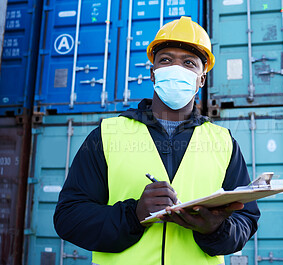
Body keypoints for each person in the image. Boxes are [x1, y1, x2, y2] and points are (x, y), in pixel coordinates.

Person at [54, 16, 260, 265]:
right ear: (153, 74)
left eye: (189, 63)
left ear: (201, 79)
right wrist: (134, 214)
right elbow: (68, 217)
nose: (176, 68)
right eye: (165, 60)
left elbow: (246, 221)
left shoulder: (224, 142)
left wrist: (215, 229)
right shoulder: (107, 135)